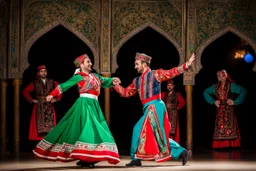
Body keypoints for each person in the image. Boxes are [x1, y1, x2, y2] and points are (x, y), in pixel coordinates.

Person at [33, 54, 121, 167]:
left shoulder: (95, 76)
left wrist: (113, 80)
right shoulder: (79, 76)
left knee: (95, 129)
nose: (90, 64)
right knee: (88, 130)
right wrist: (52, 94)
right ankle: (86, 157)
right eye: (88, 62)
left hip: (94, 105)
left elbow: (105, 81)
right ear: (81, 64)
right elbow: (64, 85)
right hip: (84, 105)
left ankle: (86, 157)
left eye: (90, 62)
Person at [113, 52, 195, 166]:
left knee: (139, 130)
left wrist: (186, 65)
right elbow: (126, 93)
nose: (135, 66)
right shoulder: (136, 81)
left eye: (137, 64)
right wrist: (116, 85)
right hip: (148, 108)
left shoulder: (156, 74)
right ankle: (182, 152)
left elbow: (171, 72)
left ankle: (135, 158)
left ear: (144, 64)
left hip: (156, 106)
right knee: (158, 135)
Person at [203, 70, 247, 149]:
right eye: (219, 76)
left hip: (228, 109)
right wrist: (213, 101)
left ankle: (231, 144)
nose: (221, 78)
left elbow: (243, 91)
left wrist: (235, 101)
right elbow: (205, 92)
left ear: (226, 76)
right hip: (219, 109)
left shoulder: (231, 86)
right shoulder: (215, 87)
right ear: (218, 77)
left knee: (229, 125)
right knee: (220, 126)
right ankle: (220, 145)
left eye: (223, 76)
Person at [22, 65, 61, 141]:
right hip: (38, 106)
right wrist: (31, 100)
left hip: (49, 105)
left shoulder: (52, 82)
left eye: (45, 71)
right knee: (38, 126)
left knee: (51, 127)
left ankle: (49, 143)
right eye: (41, 71)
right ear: (39, 73)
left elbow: (60, 88)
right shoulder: (35, 83)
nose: (43, 73)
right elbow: (25, 91)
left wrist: (56, 99)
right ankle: (39, 144)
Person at [161, 79, 186, 144]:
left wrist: (177, 107)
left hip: (173, 113)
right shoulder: (163, 94)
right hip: (165, 112)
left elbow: (183, 102)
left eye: (171, 85)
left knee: (173, 128)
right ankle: (165, 141)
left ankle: (174, 142)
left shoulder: (177, 94)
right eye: (168, 85)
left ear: (173, 86)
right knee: (165, 126)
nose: (169, 87)